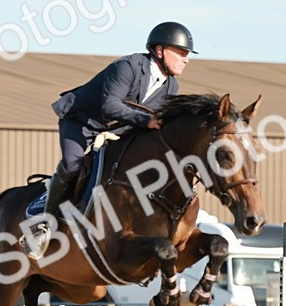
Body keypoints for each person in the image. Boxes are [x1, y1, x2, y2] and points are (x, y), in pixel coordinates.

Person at [25, 22, 196, 257]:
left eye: (187, 55)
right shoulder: (128, 66)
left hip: (117, 132)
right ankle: (43, 224)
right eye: (181, 53)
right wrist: (145, 121)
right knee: (73, 165)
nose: (186, 59)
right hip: (83, 122)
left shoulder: (171, 86)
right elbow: (110, 106)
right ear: (159, 50)